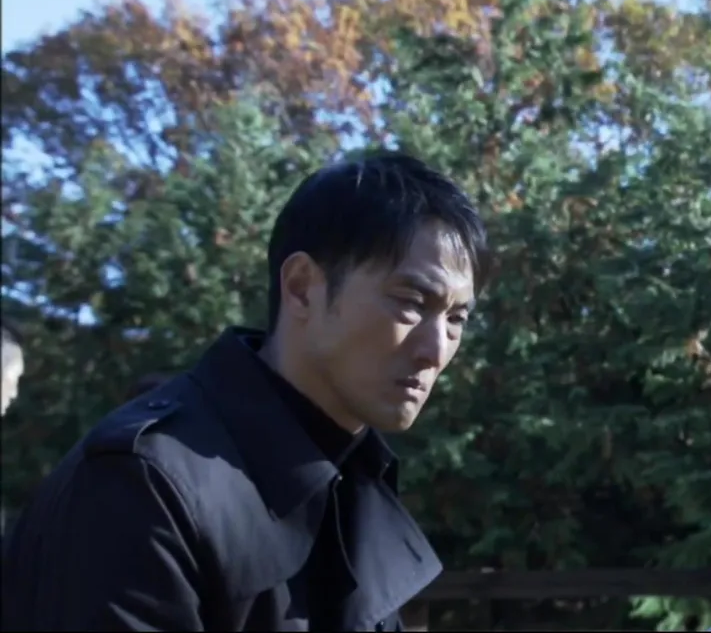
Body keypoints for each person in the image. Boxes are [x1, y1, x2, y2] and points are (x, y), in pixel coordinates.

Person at [1, 152, 490, 632]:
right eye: (410, 302)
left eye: (456, 318)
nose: (436, 349)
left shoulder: (354, 479)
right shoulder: (144, 484)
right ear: (302, 288)